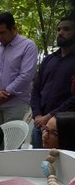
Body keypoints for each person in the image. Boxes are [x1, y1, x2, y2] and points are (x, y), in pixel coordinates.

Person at [0, 12, 39, 125]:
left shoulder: (28, 46)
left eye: (2, 32)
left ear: (14, 28)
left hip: (16, 103)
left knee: (12, 135)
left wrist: (3, 96)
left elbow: (26, 76)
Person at [30, 16, 75, 147]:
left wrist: (50, 116)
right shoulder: (49, 59)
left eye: (66, 29)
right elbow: (36, 89)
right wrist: (37, 115)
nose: (60, 32)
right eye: (58, 29)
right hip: (40, 125)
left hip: (64, 128)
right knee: (37, 158)